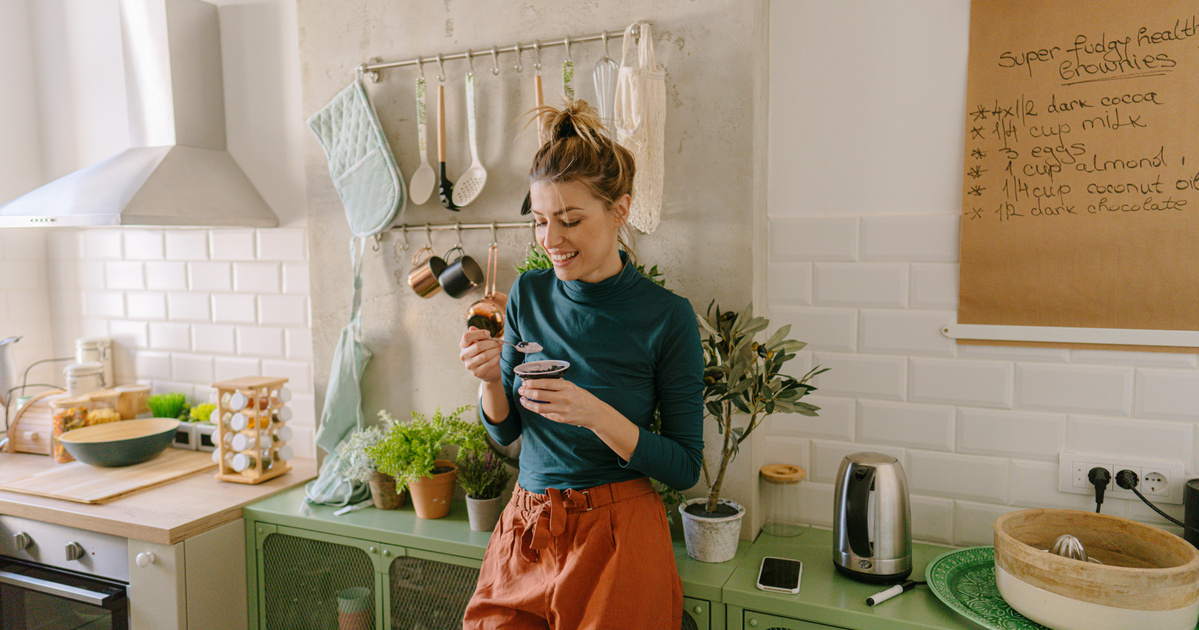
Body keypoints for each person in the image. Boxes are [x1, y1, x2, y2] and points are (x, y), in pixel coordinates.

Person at [458, 99, 704, 630]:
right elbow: (506, 435)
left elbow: (685, 467)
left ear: (620, 210)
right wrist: (488, 382)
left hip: (617, 536)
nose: (551, 241)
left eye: (570, 220)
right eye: (542, 221)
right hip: (527, 528)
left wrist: (594, 413)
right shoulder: (529, 293)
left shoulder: (667, 318)